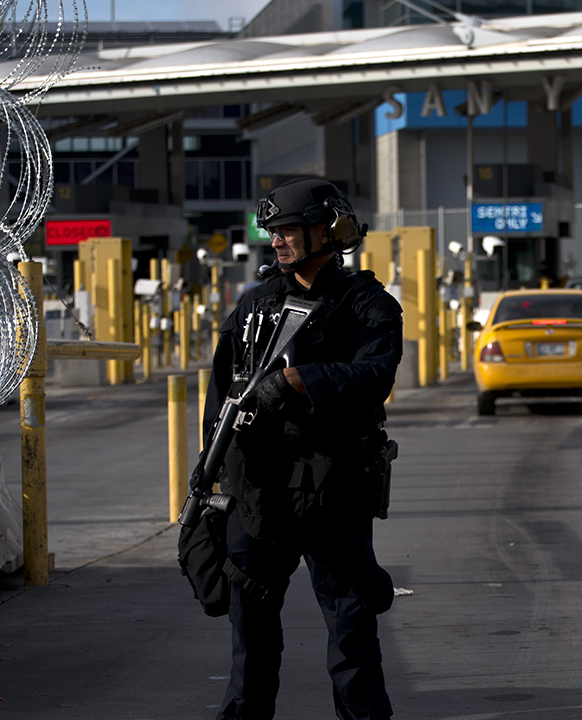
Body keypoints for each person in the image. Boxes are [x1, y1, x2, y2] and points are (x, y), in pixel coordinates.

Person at [203, 178, 402, 720]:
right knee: (249, 627)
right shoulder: (256, 303)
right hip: (258, 488)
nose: (278, 241)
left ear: (329, 231)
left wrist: (300, 381)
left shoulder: (367, 304)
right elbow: (223, 389)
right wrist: (210, 470)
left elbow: (375, 375)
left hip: (333, 485)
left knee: (350, 623)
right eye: (273, 232)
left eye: (289, 230)